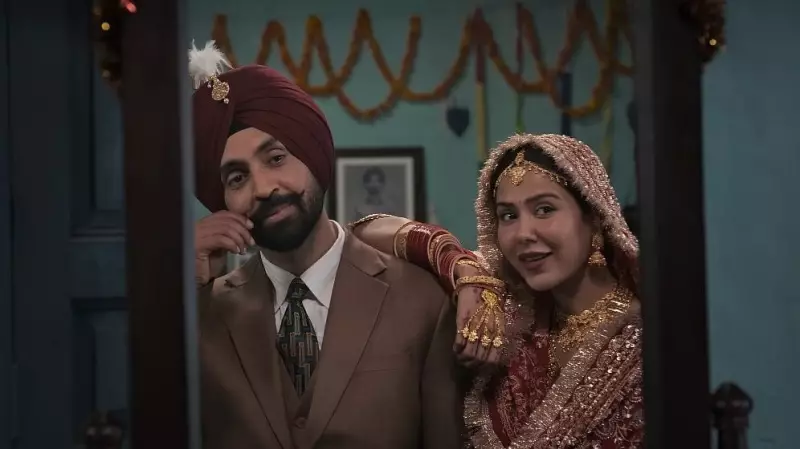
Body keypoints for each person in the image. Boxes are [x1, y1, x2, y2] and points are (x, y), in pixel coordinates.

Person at [188, 41, 463, 449]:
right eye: (237, 178)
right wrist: (185, 289)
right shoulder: (202, 313)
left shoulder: (421, 300)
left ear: (312, 155)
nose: (263, 187)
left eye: (276, 158)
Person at [350, 133, 644, 448]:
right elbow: (365, 230)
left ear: (595, 219)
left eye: (544, 209)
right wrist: (468, 271)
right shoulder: (507, 304)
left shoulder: (649, 340)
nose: (523, 234)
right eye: (508, 216)